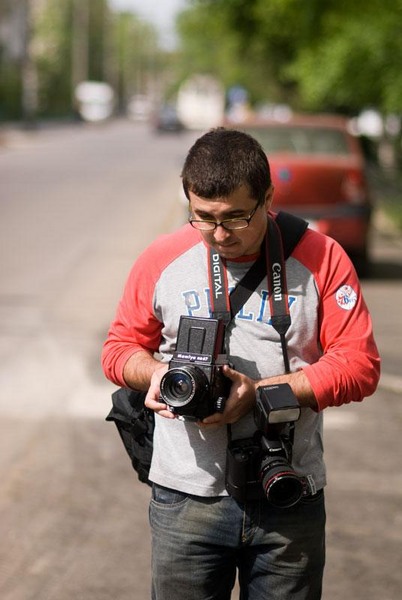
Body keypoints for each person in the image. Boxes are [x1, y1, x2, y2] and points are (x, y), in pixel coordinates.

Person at [101, 128, 380, 600]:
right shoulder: (163, 257)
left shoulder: (321, 257)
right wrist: (158, 375)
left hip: (287, 490)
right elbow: (119, 348)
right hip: (186, 498)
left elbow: (358, 364)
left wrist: (260, 394)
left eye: (235, 216)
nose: (219, 234)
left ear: (268, 198)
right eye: (203, 217)